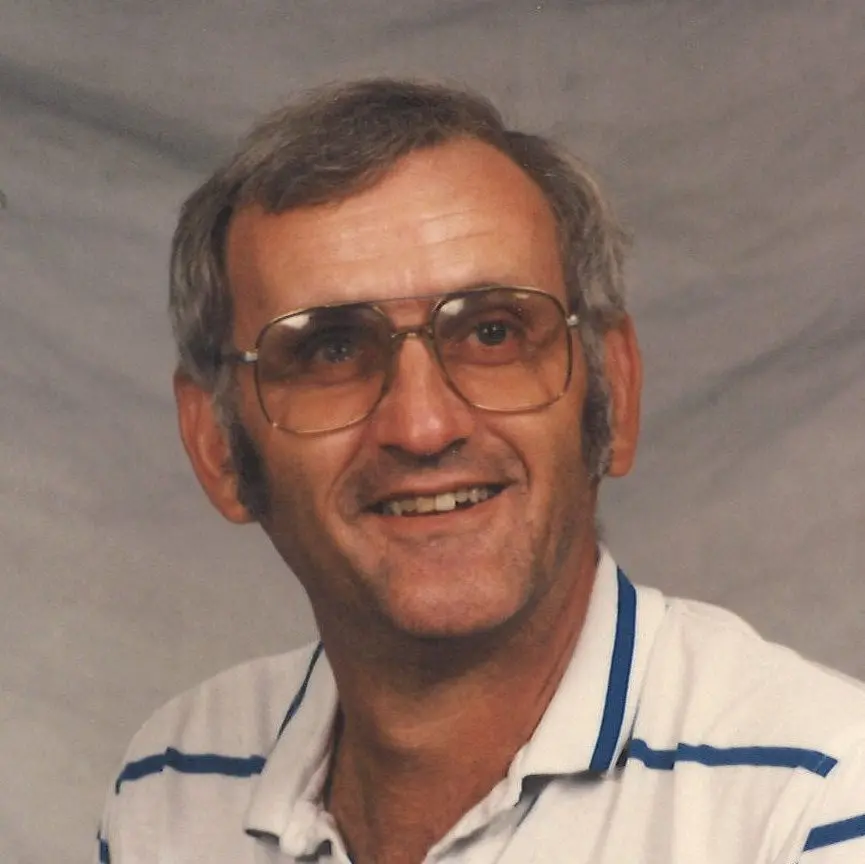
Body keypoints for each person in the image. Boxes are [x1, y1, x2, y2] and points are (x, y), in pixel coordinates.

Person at [97, 78, 865, 864]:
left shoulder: (816, 799)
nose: (423, 427)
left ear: (614, 393)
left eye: (493, 333)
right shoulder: (173, 786)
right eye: (332, 350)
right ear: (218, 446)